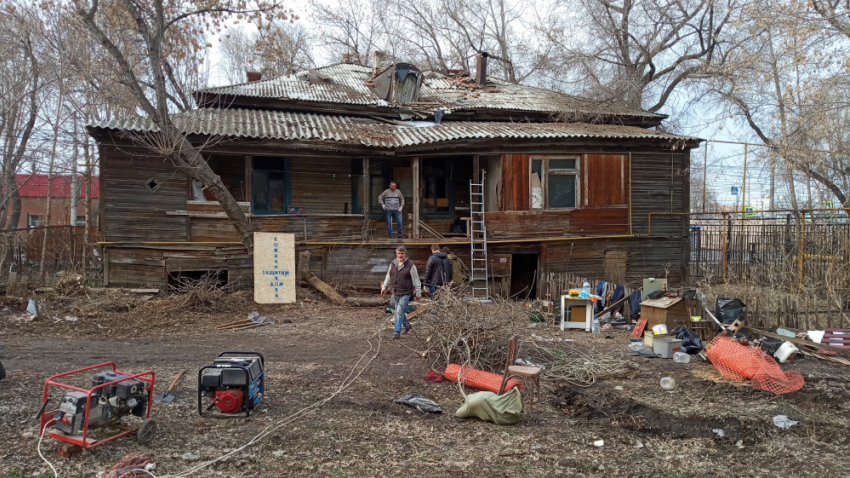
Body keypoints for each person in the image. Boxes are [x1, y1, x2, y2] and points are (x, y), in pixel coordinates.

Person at [381, 245, 421, 339]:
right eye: (398, 253)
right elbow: (388, 276)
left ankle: (396, 333)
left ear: (405, 254)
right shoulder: (393, 264)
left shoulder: (411, 265)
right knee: (400, 312)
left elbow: (416, 280)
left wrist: (418, 293)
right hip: (395, 291)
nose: (400, 255)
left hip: (406, 292)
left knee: (399, 312)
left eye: (402, 253)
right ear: (396, 254)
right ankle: (407, 326)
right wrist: (384, 287)